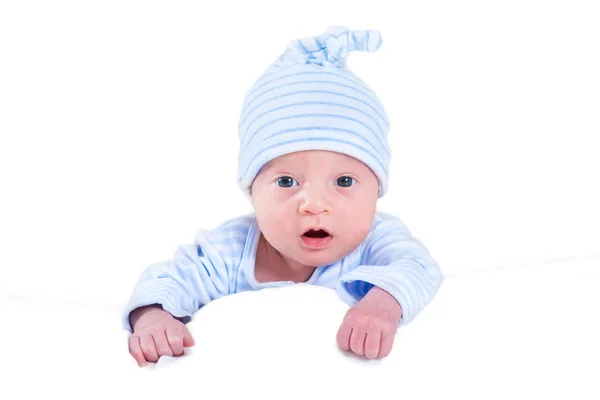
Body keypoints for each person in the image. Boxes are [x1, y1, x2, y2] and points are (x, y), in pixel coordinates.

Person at [123, 26, 443, 368]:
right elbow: (169, 279)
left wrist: (382, 304)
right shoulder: (229, 252)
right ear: (251, 190)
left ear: (377, 191)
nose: (315, 205)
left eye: (345, 181)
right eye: (287, 181)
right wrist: (153, 317)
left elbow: (420, 267)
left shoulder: (377, 242)